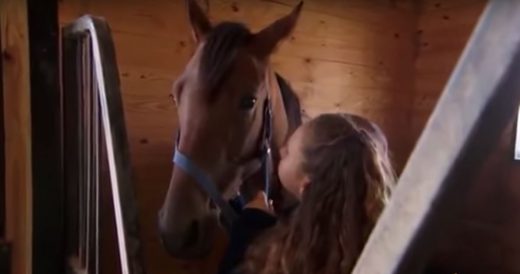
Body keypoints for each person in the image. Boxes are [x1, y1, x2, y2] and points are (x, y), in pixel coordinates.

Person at [218, 113, 396, 274]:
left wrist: (251, 223)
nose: (280, 151)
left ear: (306, 185)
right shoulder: (379, 233)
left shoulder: (297, 253)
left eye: (287, 152)